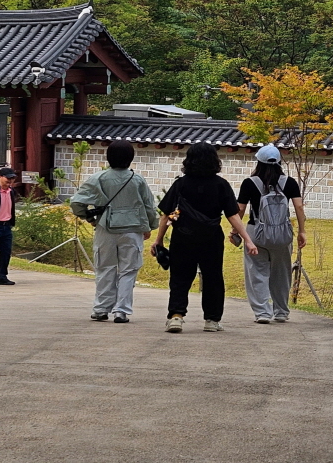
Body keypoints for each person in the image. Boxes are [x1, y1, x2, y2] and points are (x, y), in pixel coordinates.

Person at [153, 143, 257, 333]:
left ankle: (176, 316)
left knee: (180, 277)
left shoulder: (180, 184)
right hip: (211, 238)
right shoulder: (220, 184)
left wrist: (158, 239)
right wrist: (247, 239)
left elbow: (167, 214)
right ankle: (212, 319)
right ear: (214, 161)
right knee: (213, 278)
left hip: (183, 237)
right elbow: (233, 215)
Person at [70, 139, 158, 324]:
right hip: (133, 230)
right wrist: (150, 226)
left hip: (106, 229)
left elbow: (76, 202)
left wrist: (89, 218)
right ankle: (121, 311)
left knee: (104, 268)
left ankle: (101, 309)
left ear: (108, 157)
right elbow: (149, 206)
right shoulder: (137, 179)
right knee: (128, 271)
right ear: (130, 158)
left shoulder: (99, 178)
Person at [235, 144, 306, 324]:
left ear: (258, 161)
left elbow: (240, 209)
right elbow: (298, 206)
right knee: (281, 273)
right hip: (282, 234)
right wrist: (301, 231)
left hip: (256, 233)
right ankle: (281, 311)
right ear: (279, 162)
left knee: (256, 272)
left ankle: (262, 313)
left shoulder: (249, 183)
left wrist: (236, 231)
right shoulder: (289, 182)